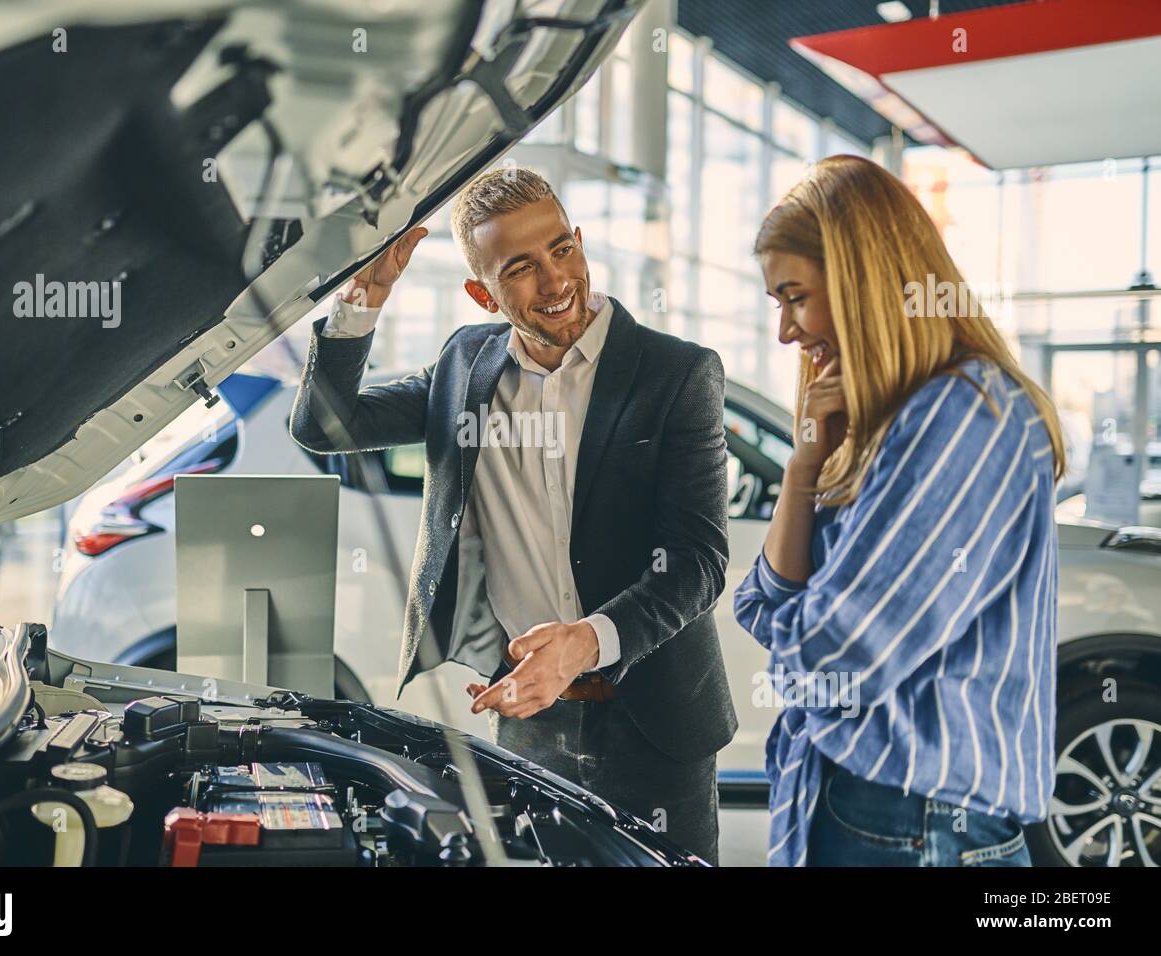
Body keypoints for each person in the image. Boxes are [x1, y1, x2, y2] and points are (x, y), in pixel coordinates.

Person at [290, 167, 735, 862]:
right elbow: (325, 425)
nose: (556, 282)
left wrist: (583, 643)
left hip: (656, 725)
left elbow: (698, 561)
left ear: (581, 242)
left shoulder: (675, 373)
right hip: (528, 722)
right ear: (482, 293)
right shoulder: (465, 365)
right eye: (521, 268)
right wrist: (362, 301)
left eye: (562, 249)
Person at [733, 155, 1065, 867]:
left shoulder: (963, 415)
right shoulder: (885, 419)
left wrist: (802, 652)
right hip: (881, 807)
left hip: (916, 823)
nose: (787, 331)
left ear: (862, 281)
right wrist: (803, 468)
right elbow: (764, 606)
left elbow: (840, 655)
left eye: (795, 296)